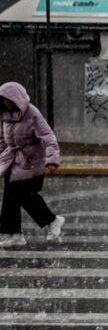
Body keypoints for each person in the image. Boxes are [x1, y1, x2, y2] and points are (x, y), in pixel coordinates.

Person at [0, 82, 64, 247]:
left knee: (24, 195)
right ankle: (14, 234)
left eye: (8, 99)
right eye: (3, 100)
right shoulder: (3, 115)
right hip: (12, 161)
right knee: (9, 197)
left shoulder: (32, 113)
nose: (6, 103)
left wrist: (52, 159)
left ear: (16, 98)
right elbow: (2, 140)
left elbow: (48, 136)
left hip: (32, 162)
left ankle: (53, 220)